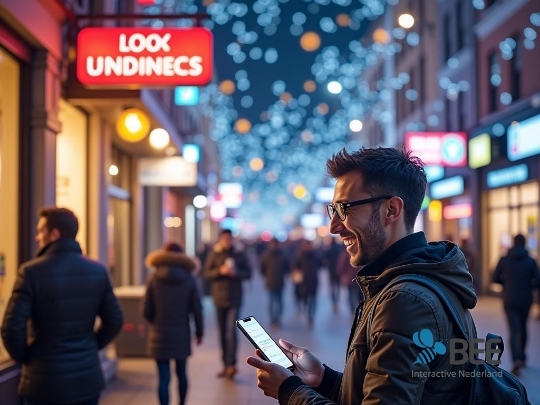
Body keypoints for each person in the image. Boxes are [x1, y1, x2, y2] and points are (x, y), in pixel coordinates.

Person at [246, 147, 477, 404]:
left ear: (391, 210)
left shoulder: (404, 300)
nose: (334, 227)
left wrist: (290, 391)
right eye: (332, 210)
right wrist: (324, 379)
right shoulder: (417, 279)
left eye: (345, 209)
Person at [1, 207, 123, 405]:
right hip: (87, 379)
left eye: (41, 231)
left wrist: (29, 358)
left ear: (54, 234)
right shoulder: (97, 271)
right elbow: (115, 320)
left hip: (45, 381)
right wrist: (91, 346)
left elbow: (11, 328)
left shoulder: (31, 272)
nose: (36, 237)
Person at [141, 242, 204, 405]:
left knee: (163, 377)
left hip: (159, 333)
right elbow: (197, 308)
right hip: (181, 332)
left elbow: (145, 310)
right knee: (182, 373)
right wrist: (199, 332)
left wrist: (154, 322)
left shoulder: (154, 278)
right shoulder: (189, 279)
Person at [203, 229, 251, 379]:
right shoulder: (214, 254)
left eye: (228, 238)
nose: (226, 241)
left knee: (231, 331)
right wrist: (220, 271)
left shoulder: (239, 254)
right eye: (223, 238)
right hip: (219, 297)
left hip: (235, 298)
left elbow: (249, 273)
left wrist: (236, 273)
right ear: (220, 239)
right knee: (222, 332)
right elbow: (206, 273)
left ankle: (232, 364)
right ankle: (224, 364)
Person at [492, 233, 540, 376]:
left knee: (513, 329)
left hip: (509, 298)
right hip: (526, 299)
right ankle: (522, 357)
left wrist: (506, 284)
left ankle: (516, 360)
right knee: (523, 327)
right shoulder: (531, 261)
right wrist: (530, 287)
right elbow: (538, 282)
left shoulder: (505, 259)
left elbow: (495, 278)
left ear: (513, 243)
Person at [260, 238, 291, 330]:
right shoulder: (267, 255)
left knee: (277, 302)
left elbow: (287, 268)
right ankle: (274, 320)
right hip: (272, 282)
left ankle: (276, 319)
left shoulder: (281, 255)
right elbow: (262, 269)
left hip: (278, 282)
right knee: (273, 302)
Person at [293, 239, 320, 328]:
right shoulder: (300, 256)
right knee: (305, 299)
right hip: (303, 283)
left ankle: (310, 317)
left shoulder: (315, 255)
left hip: (313, 282)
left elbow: (321, 264)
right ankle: (305, 311)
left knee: (312, 301)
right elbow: (295, 268)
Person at [335, 247, 363, 314]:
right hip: (353, 279)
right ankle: (354, 311)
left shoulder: (345, 254)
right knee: (353, 296)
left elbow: (340, 267)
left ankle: (353, 311)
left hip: (352, 279)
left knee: (352, 296)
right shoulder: (353, 254)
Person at [322, 237, 342, 313]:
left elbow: (324, 259)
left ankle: (334, 302)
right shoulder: (339, 249)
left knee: (332, 287)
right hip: (338, 271)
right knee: (338, 287)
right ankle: (336, 301)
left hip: (331, 271)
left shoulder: (329, 249)